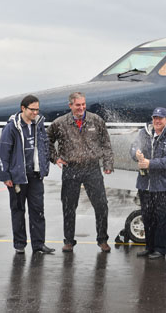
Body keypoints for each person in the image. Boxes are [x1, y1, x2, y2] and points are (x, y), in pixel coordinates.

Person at [47, 92, 114, 253]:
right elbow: (45, 140)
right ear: (70, 105)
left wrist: (108, 163)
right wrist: (55, 158)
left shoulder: (96, 120)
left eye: (83, 104)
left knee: (101, 205)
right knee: (69, 207)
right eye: (78, 105)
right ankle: (69, 241)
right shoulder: (60, 123)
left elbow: (106, 143)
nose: (81, 108)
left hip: (92, 168)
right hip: (71, 169)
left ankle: (102, 240)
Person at [0, 95, 55, 254]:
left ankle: (38, 244)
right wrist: (5, 176)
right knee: (18, 211)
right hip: (18, 178)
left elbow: (44, 146)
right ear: (23, 108)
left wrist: (45, 167)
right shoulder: (11, 128)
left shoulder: (39, 125)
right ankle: (20, 244)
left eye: (37, 109)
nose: (35, 112)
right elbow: (2, 153)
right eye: (32, 109)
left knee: (38, 211)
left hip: (35, 176)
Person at [130, 107, 166, 259]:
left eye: (160, 118)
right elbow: (133, 148)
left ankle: (160, 249)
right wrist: (136, 154)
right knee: (147, 217)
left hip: (164, 186)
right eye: (155, 118)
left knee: (162, 218)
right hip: (145, 185)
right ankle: (149, 247)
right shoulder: (143, 133)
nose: (157, 121)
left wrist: (150, 163)